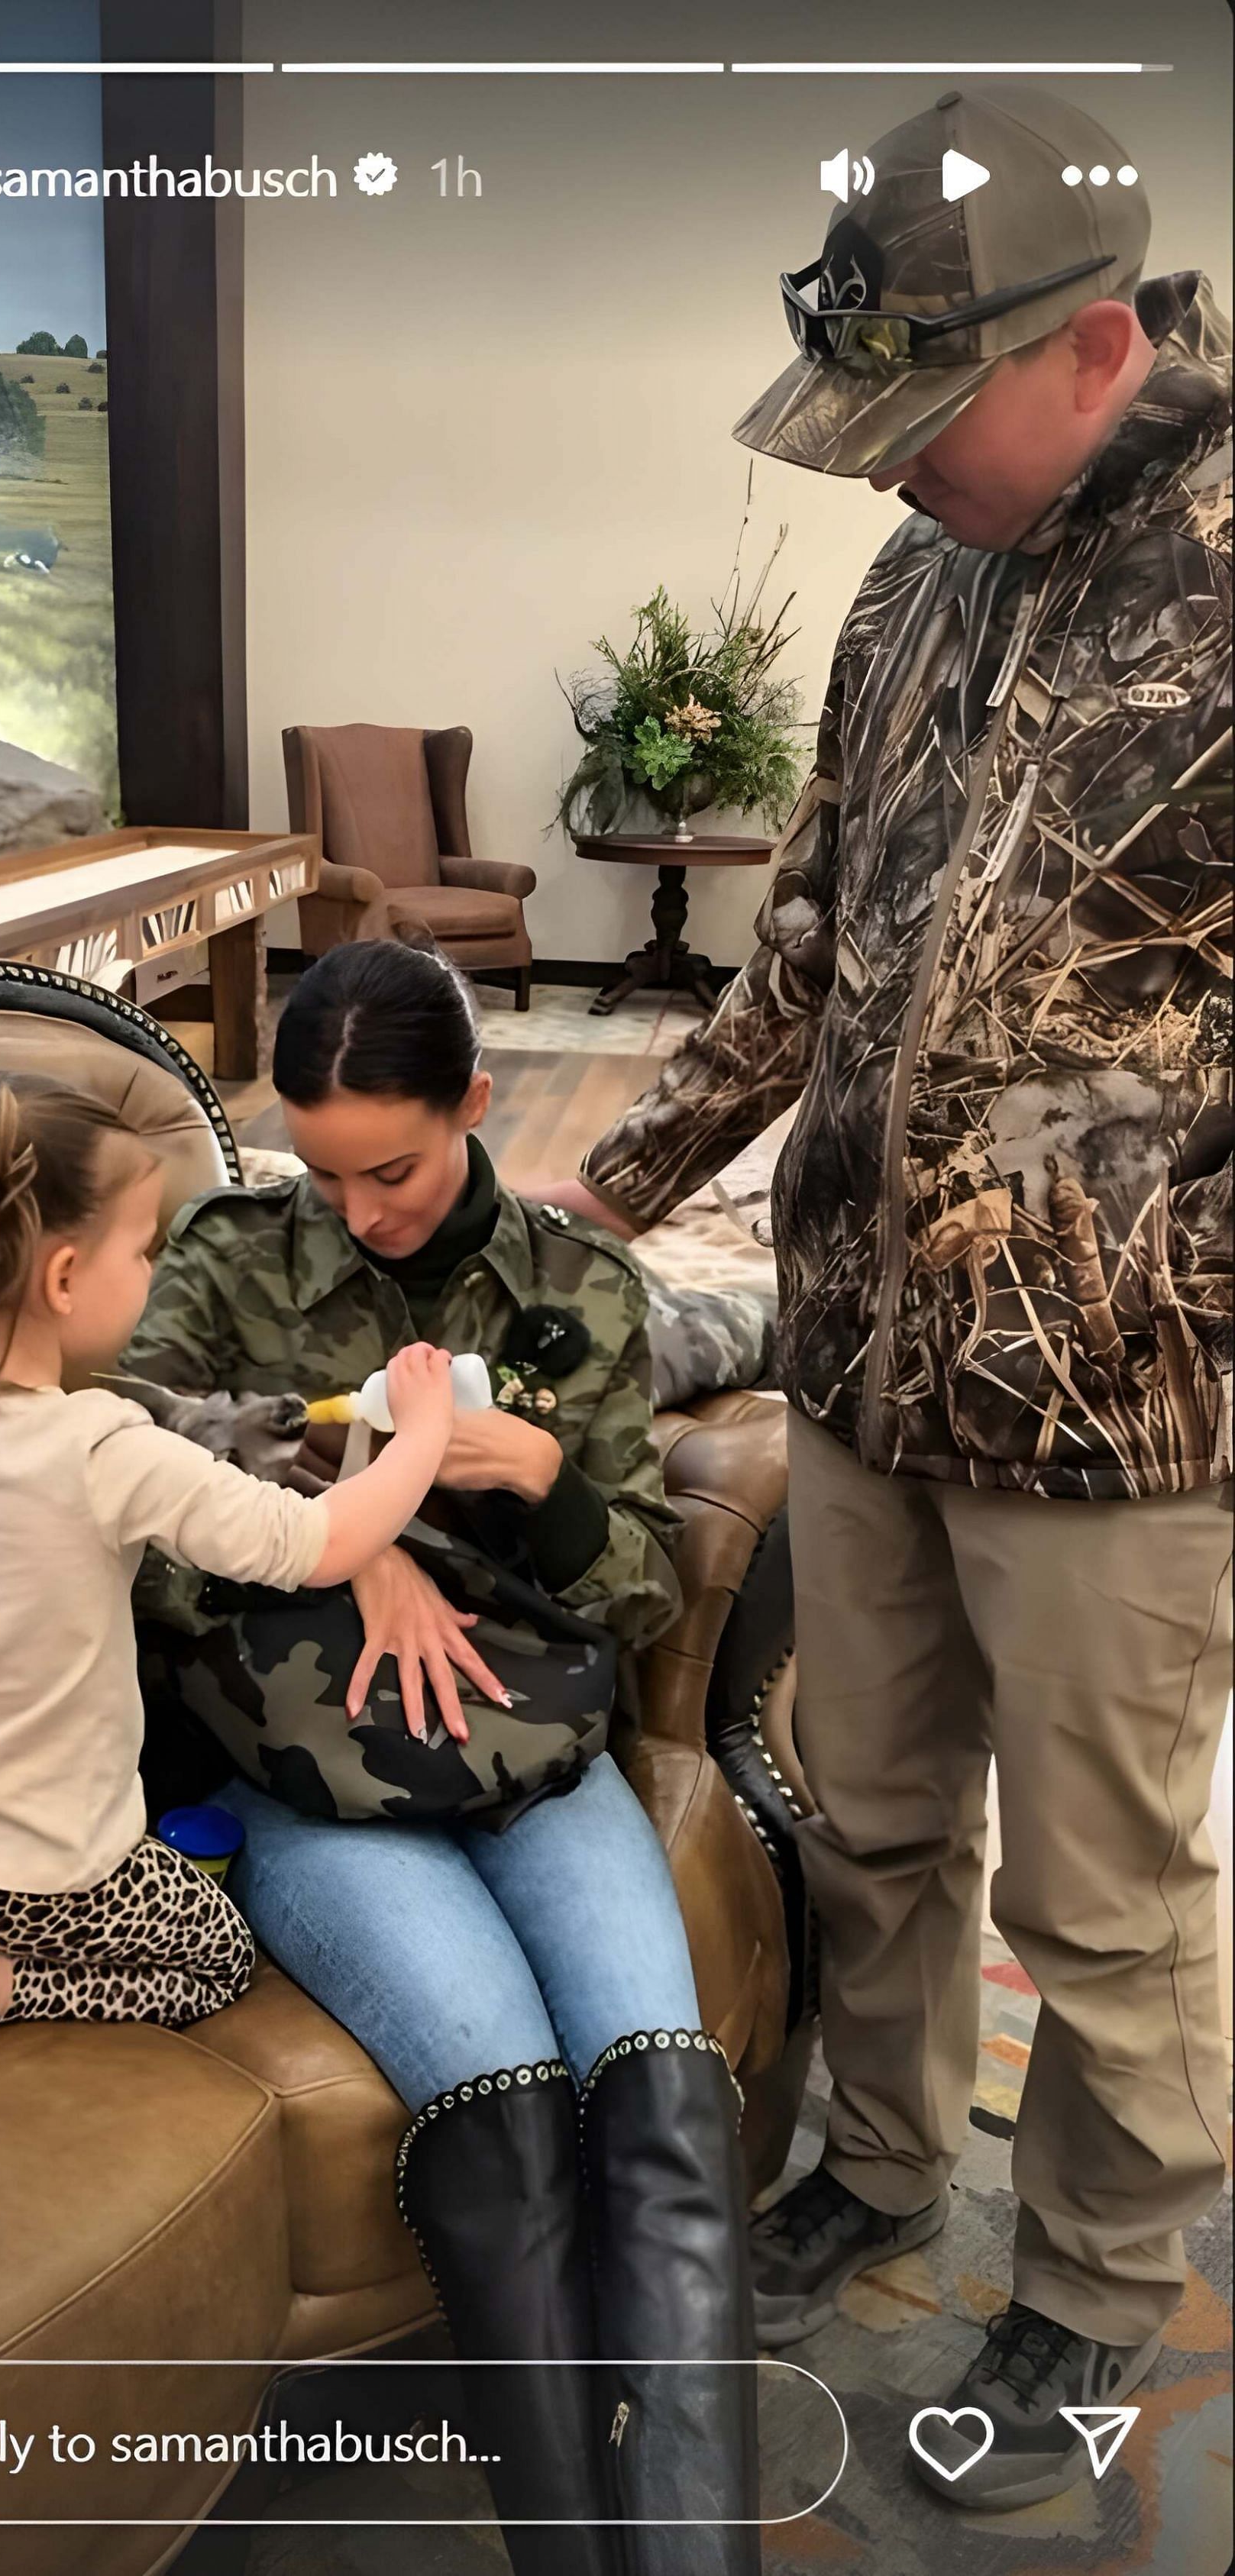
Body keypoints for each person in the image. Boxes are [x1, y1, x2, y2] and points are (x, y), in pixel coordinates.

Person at [541, 83, 1233, 2513]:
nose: (881, 470)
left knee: (1105, 1887)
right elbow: (811, 944)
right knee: (865, 1814)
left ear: (1095, 346)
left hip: (1119, 1395)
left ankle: (1092, 2280)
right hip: (853, 1345)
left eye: (916, 419)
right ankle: (874, 2146)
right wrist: (609, 1189)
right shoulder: (921, 579)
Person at [122, 938, 760, 2574]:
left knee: (668, 2107)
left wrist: (539, 1473)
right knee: (503, 2099)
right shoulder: (226, 1248)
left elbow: (627, 1584)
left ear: (475, 1105)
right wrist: (347, 1532)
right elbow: (114, 1469)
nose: (356, 1212)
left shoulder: (579, 1290)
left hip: (534, 1751)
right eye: (323, 1170)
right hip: (313, 1777)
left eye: (391, 1169)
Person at [0, 1070, 457, 2124]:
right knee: (211, 1955)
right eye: (143, 1248)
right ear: (61, 1275)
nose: (154, 1267)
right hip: (40, 1873)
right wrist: (421, 1435)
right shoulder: (101, 1450)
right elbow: (318, 1542)